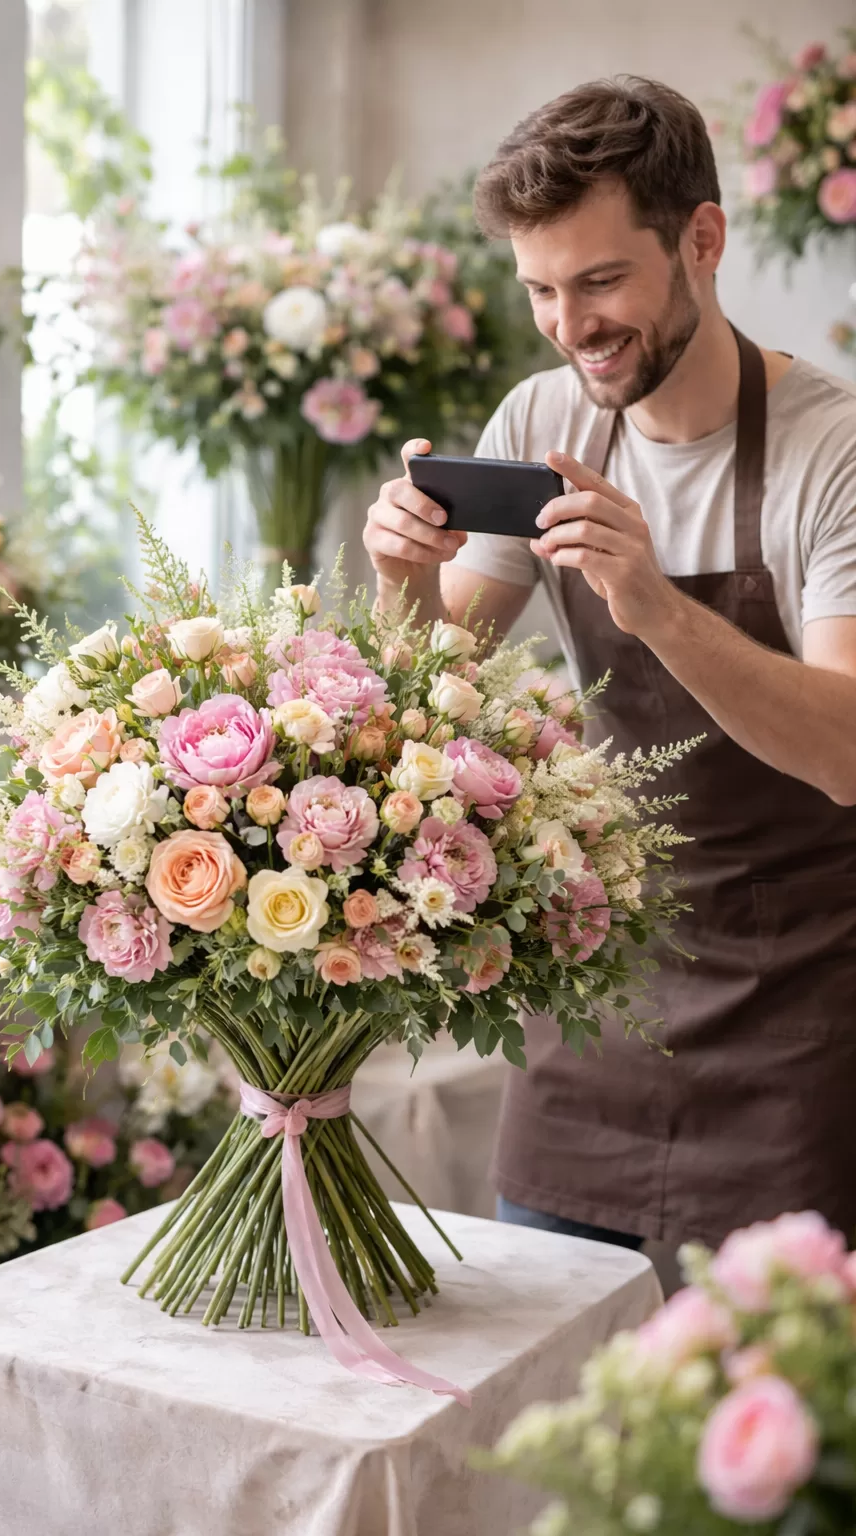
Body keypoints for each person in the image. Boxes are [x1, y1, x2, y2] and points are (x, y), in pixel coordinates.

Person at [363, 76, 856, 1254]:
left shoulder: (827, 450)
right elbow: (426, 703)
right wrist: (402, 576)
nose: (568, 326)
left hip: (796, 1034)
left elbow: (845, 753)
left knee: (766, 1420)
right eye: (540, 289)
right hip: (597, 1015)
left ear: (702, 239)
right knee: (550, 1404)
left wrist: (655, 608)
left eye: (599, 282)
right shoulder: (546, 420)